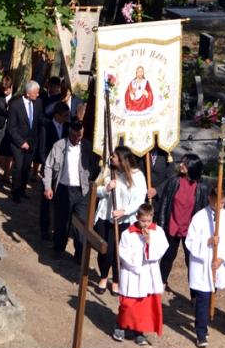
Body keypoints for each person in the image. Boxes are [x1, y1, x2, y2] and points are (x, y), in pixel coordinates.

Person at [186, 186, 225, 348]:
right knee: (203, 298)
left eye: (222, 203)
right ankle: (201, 333)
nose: (219, 206)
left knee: (210, 296)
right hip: (202, 266)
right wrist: (207, 242)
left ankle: (203, 322)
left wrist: (221, 259)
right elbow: (190, 241)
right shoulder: (199, 217)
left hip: (217, 265)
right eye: (216, 203)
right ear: (209, 199)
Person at [113, 203, 169, 346]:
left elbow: (161, 249)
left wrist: (149, 243)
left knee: (144, 306)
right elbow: (123, 252)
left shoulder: (157, 231)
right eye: (143, 221)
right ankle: (121, 325)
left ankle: (139, 332)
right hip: (132, 273)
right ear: (137, 217)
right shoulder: (128, 233)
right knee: (128, 304)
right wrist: (137, 261)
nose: (146, 224)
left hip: (148, 274)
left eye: (149, 221)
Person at [94, 146, 147, 295]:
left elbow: (139, 199)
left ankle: (116, 281)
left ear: (123, 159)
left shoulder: (137, 176)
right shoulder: (107, 171)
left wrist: (124, 211)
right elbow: (95, 190)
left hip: (124, 220)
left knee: (119, 252)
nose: (111, 158)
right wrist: (106, 189)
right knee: (106, 251)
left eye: (114, 156)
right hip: (105, 217)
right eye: (111, 156)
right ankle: (104, 277)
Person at [43, 119, 98, 261]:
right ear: (69, 132)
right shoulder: (59, 145)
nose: (77, 139)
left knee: (82, 224)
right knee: (62, 222)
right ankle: (58, 248)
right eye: (74, 135)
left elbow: (95, 166)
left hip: (82, 191)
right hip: (63, 189)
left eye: (79, 136)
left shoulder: (87, 146)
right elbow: (48, 166)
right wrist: (48, 186)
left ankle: (79, 254)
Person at [157, 154, 207, 289]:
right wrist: (161, 226)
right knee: (168, 256)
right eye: (181, 162)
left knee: (191, 260)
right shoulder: (174, 182)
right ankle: (161, 282)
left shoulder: (201, 188)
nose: (181, 165)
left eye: (185, 163)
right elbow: (164, 204)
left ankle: (194, 291)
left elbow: (203, 210)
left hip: (190, 230)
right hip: (172, 225)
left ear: (192, 166)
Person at [7, 80, 43, 202]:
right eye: (36, 92)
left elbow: (39, 120)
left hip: (32, 142)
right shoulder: (15, 105)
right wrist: (21, 142)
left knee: (27, 168)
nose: (38, 94)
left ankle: (22, 190)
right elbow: (11, 128)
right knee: (18, 167)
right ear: (28, 93)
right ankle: (15, 192)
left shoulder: (38, 103)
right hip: (18, 143)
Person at [39, 101, 70, 240]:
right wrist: (48, 168)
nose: (67, 118)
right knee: (46, 202)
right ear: (57, 115)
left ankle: (57, 229)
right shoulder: (46, 127)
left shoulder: (67, 128)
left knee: (60, 203)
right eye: (64, 116)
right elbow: (42, 150)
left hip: (63, 172)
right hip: (49, 169)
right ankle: (44, 229)